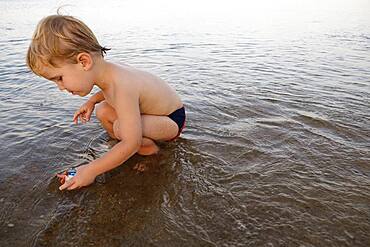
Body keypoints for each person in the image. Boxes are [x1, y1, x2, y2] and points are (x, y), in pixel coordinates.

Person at [26, 14, 186, 191]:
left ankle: (151, 153)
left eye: (59, 78)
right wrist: (92, 101)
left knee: (123, 131)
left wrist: (90, 170)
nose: (60, 87)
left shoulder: (123, 85)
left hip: (171, 120)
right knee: (102, 110)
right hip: (156, 115)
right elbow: (107, 90)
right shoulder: (108, 73)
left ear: (84, 62)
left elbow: (129, 134)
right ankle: (120, 149)